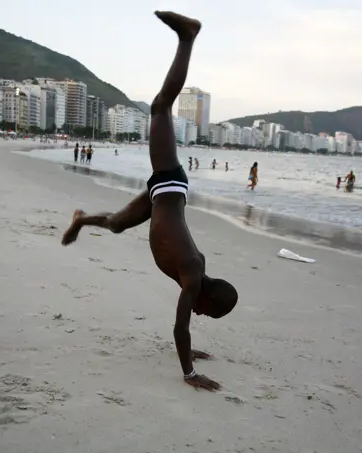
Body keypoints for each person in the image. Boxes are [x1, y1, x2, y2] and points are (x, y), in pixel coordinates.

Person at [61, 11, 237, 392]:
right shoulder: (191, 278)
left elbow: (188, 327)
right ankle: (188, 37)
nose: (199, 313)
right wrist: (190, 372)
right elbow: (180, 328)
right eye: (206, 312)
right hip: (170, 185)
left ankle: (80, 219)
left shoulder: (196, 274)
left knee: (117, 223)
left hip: (164, 200)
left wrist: (195, 349)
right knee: (160, 107)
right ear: (205, 297)